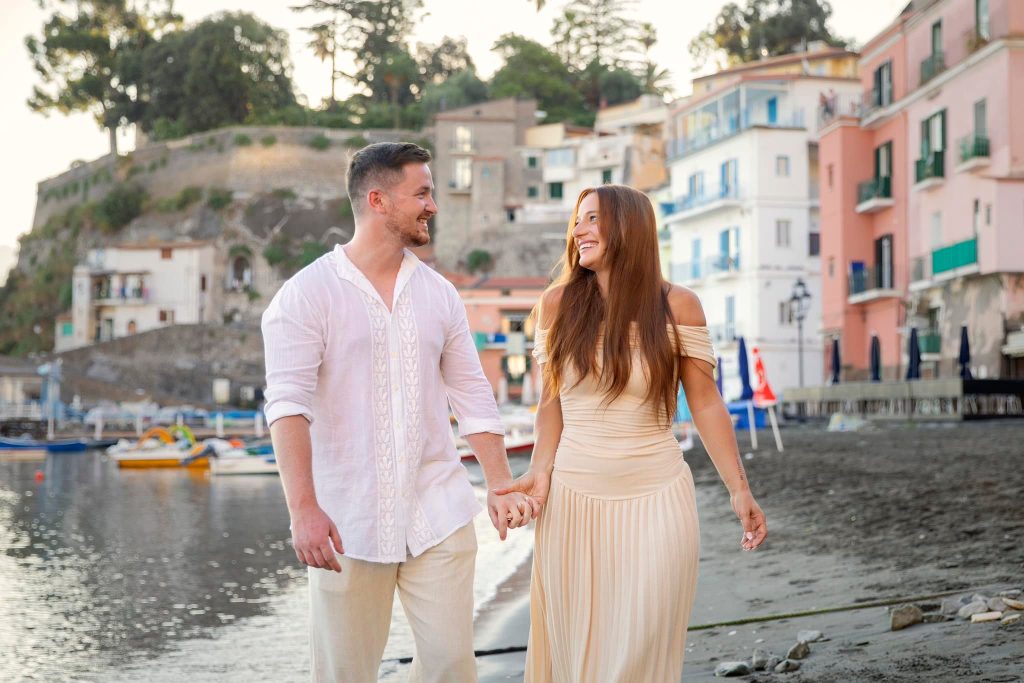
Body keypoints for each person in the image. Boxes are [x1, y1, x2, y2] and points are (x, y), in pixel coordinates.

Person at [261, 142, 539, 683]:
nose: (433, 205)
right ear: (379, 200)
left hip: (439, 512)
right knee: (345, 673)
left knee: (452, 669)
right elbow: (288, 406)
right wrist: (303, 509)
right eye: (422, 193)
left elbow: (473, 397)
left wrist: (501, 485)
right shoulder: (305, 296)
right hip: (347, 522)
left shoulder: (441, 295)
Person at [495, 185, 768, 681]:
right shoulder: (557, 304)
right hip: (574, 502)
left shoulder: (679, 306)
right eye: (577, 220)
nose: (578, 230)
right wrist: (538, 471)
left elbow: (705, 403)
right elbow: (551, 404)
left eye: (593, 218)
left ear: (630, 227)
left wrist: (739, 488)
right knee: (580, 651)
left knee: (641, 649)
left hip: (659, 498)